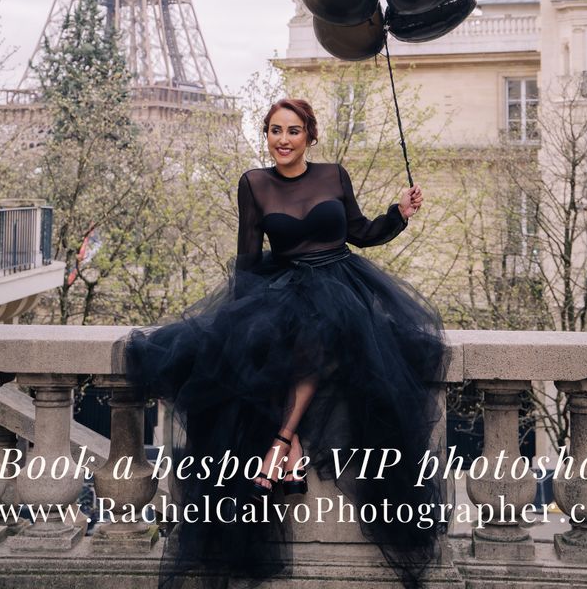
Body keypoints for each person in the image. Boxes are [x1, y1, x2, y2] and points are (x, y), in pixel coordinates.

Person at [124, 98, 448, 589]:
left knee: (324, 331)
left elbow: (359, 232)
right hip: (284, 286)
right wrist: (240, 320)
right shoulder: (254, 183)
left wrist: (398, 214)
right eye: (275, 130)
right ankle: (287, 441)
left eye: (292, 131)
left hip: (342, 284)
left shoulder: (333, 175)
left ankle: (282, 442)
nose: (282, 139)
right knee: (286, 340)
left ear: (309, 136)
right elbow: (248, 257)